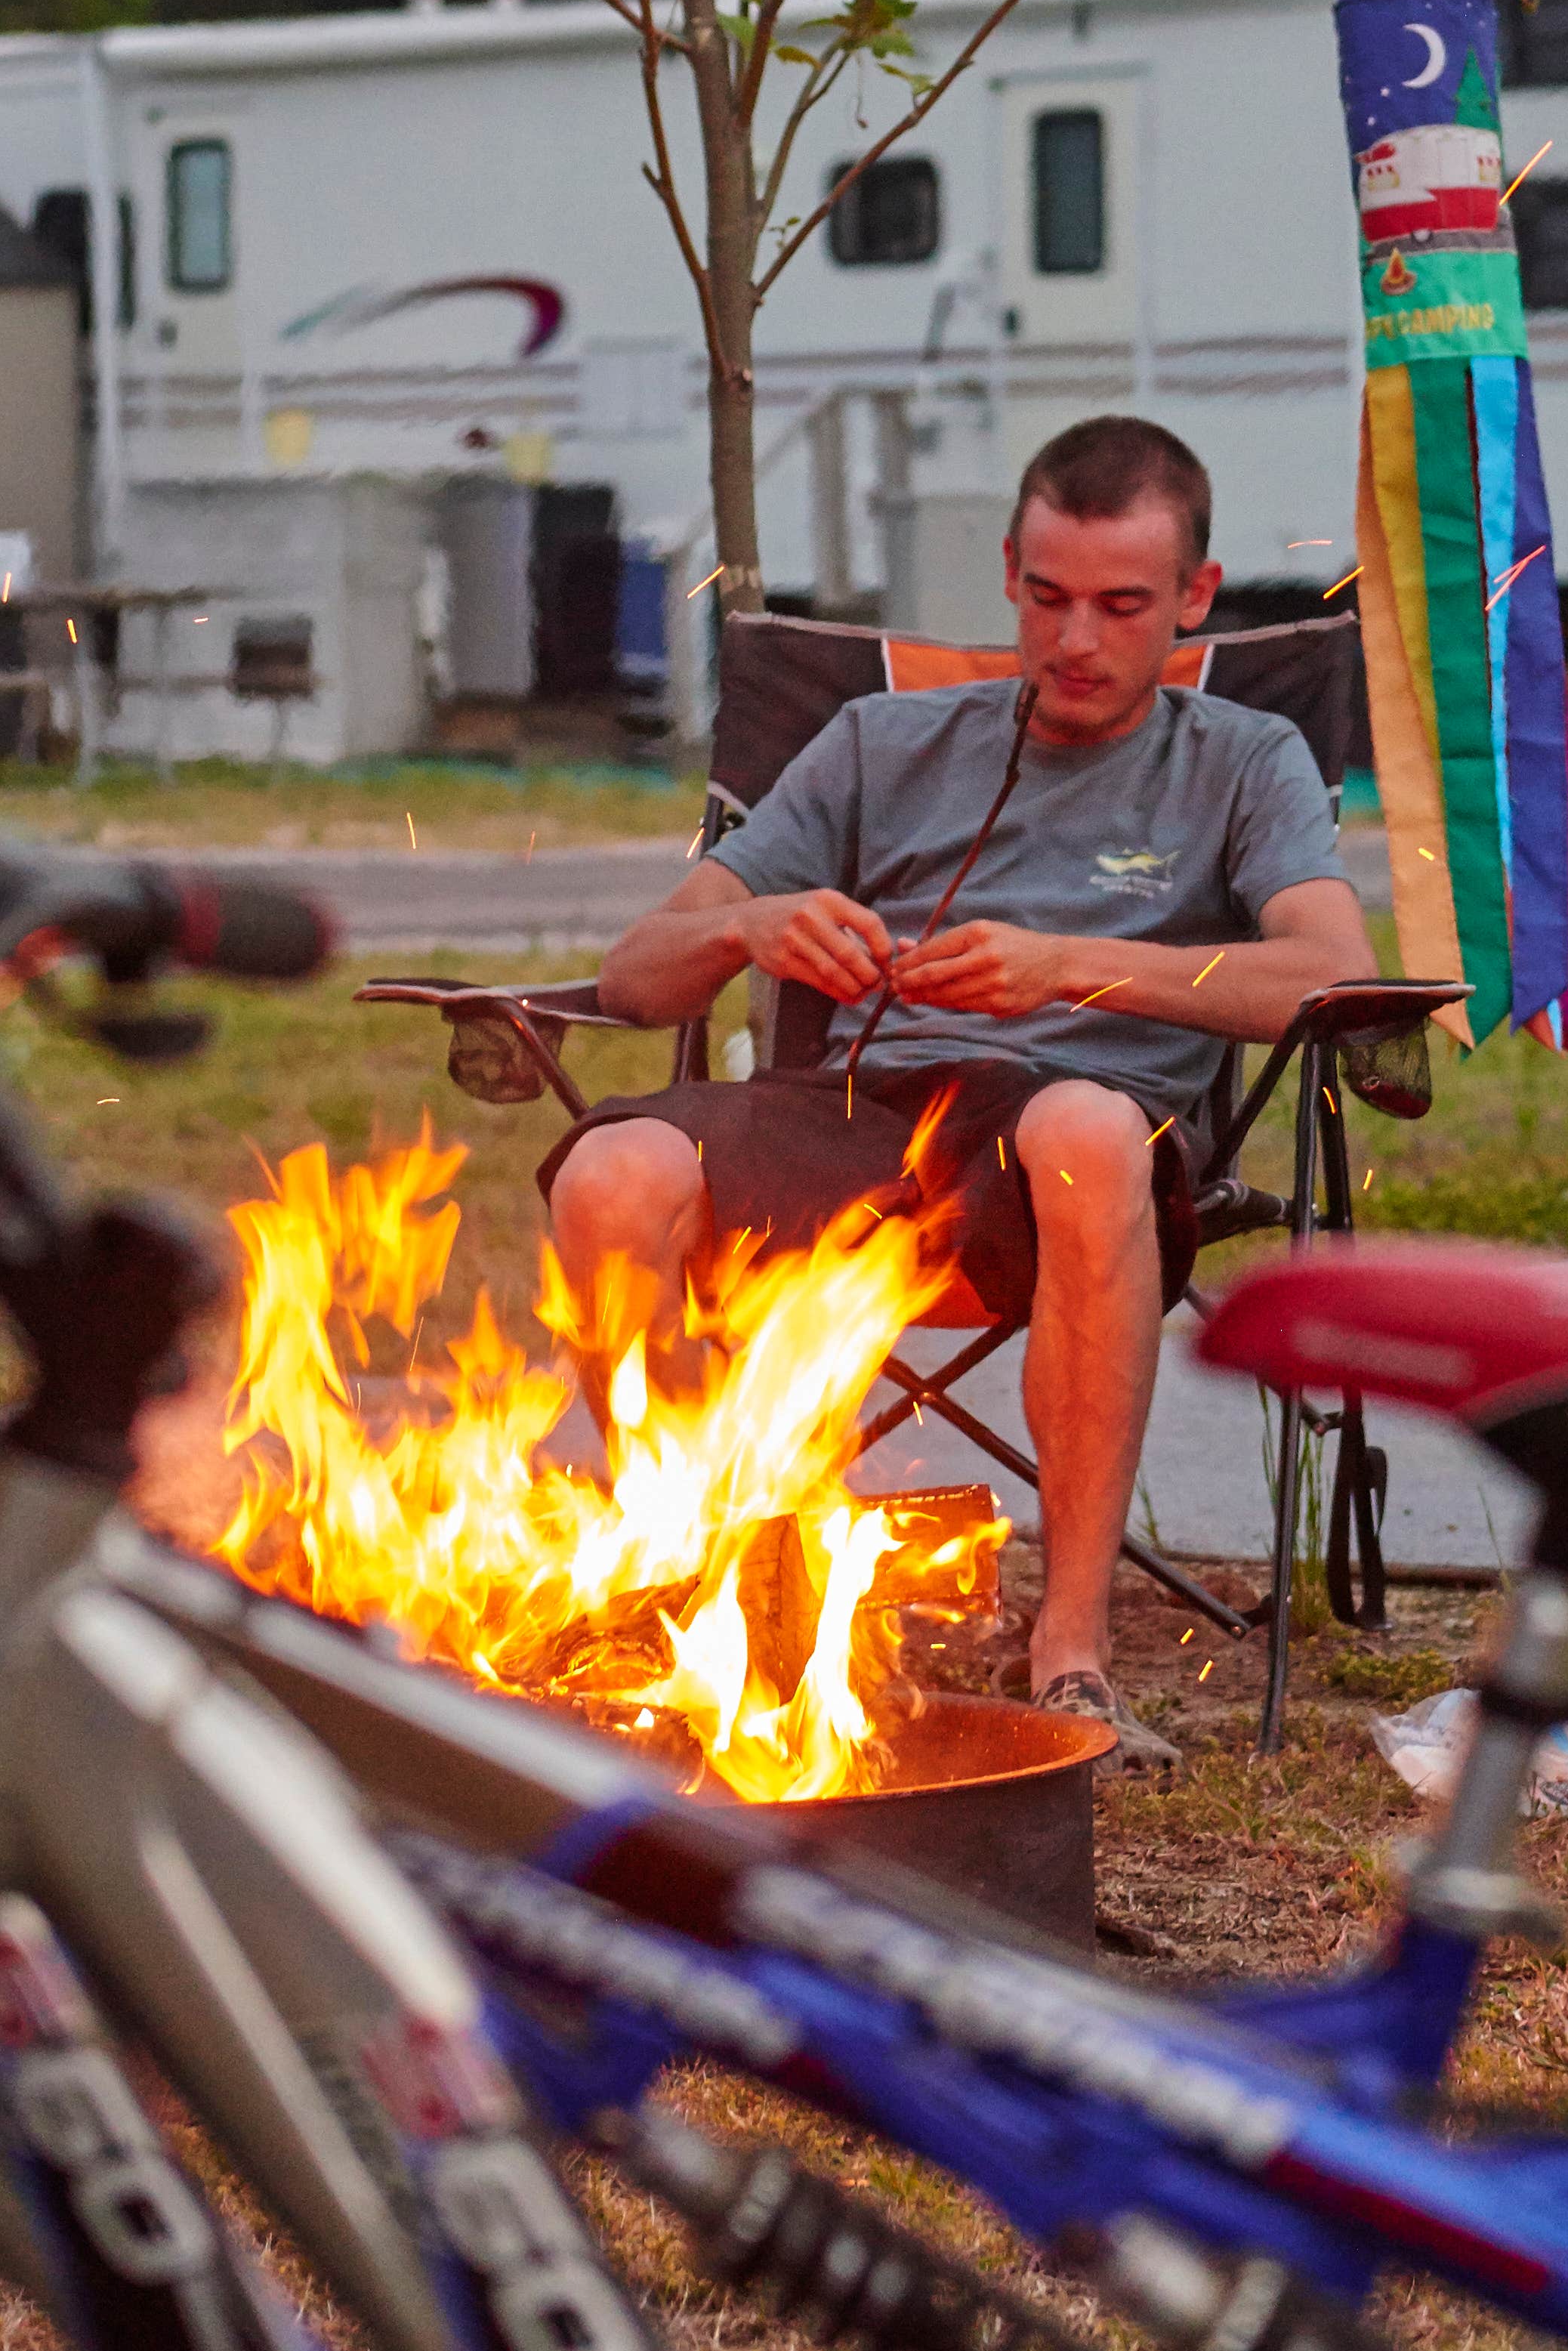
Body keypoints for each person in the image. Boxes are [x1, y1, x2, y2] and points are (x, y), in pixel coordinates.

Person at [549, 413, 1373, 1764]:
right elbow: (638, 976)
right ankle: (714, 1597)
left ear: (1196, 599)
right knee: (611, 1171)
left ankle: (1072, 1652)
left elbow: (1326, 975)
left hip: (1073, 1146)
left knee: (1080, 1128)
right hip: (854, 1114)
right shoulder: (878, 743)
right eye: (1046, 598)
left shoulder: (1241, 758)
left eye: (1122, 605)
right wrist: (748, 931)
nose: (1077, 642)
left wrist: (1071, 969)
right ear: (1008, 574)